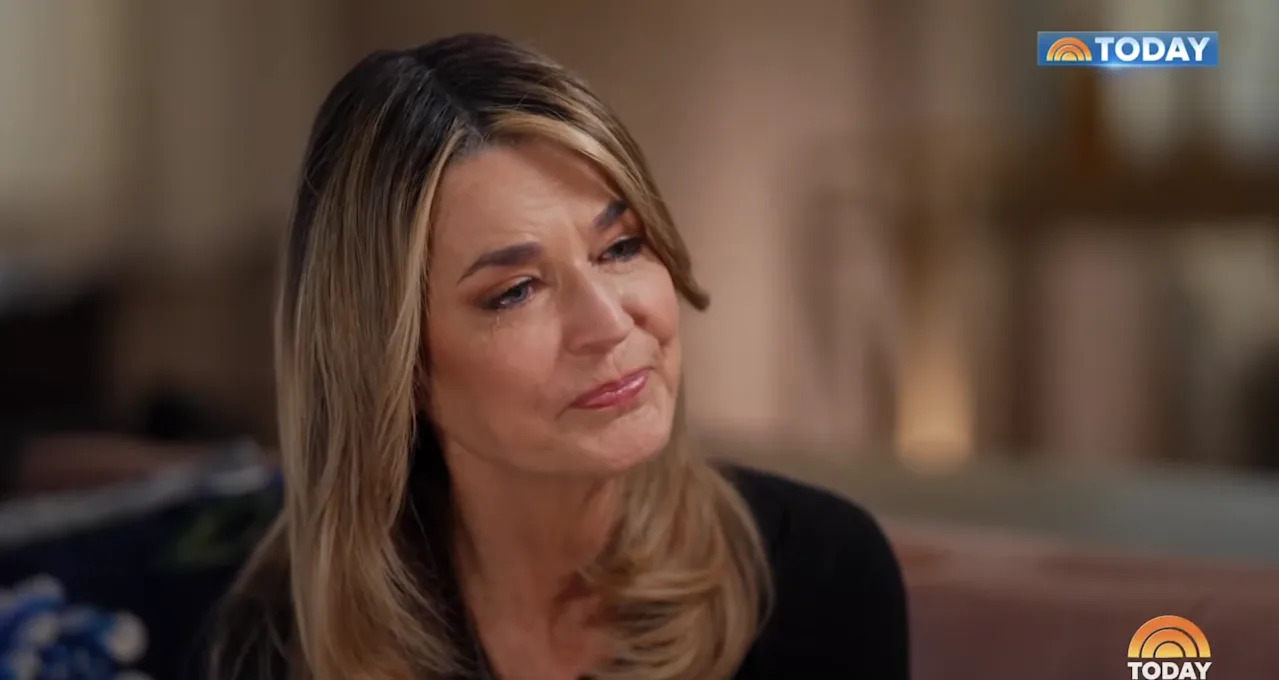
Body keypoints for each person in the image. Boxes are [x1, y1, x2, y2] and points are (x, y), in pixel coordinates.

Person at [211, 33, 908, 680]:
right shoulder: (277, 641)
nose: (607, 322)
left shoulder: (820, 575)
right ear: (398, 368)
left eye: (621, 247)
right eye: (515, 291)